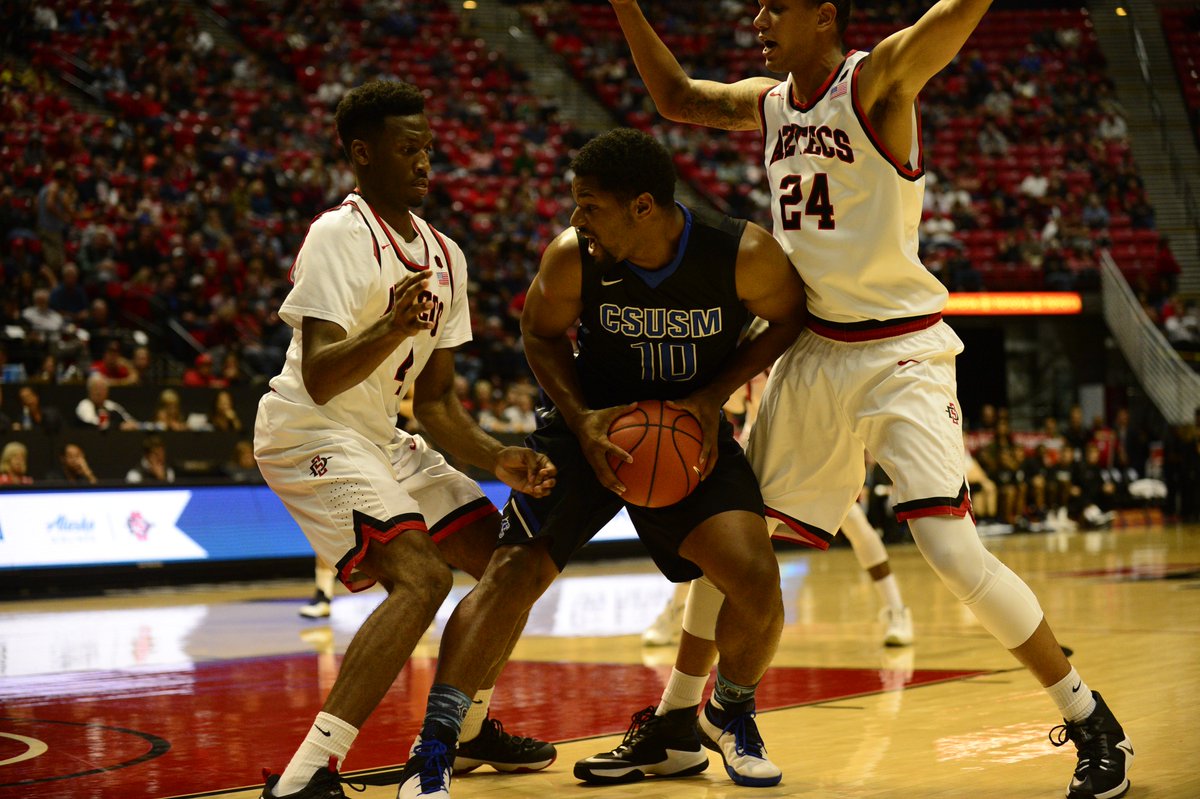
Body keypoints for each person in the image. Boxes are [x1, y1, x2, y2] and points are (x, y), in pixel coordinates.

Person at [605, 2, 1133, 798]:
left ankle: (1092, 720)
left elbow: (940, 30)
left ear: (825, 17)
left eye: (775, 7)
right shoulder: (770, 102)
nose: (757, 18)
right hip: (813, 348)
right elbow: (677, 98)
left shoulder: (878, 83)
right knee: (729, 539)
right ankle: (681, 721)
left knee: (953, 553)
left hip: (900, 349)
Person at [402, 127, 808, 798]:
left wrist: (711, 396)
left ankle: (729, 713)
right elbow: (538, 330)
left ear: (642, 207)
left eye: (589, 205)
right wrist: (580, 415)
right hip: (585, 429)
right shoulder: (572, 259)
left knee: (756, 577)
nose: (574, 218)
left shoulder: (741, 253)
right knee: (509, 573)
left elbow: (788, 316)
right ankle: (436, 745)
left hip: (684, 429)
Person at [252, 80, 558, 799]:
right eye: (407, 147)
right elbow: (323, 376)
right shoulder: (338, 233)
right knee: (421, 577)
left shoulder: (447, 255)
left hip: (382, 434)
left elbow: (438, 402)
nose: (424, 161)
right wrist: (391, 325)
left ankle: (469, 724)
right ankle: (306, 775)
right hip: (308, 427)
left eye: (428, 146)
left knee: (518, 564)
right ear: (362, 153)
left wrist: (496, 457)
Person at [75, 372, 140, 430]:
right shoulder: (84, 405)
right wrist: (119, 426)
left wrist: (131, 424)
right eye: (96, 388)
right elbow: (94, 423)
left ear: (107, 391)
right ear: (89, 391)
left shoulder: (111, 405)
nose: (99, 392)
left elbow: (128, 419)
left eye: (102, 389)